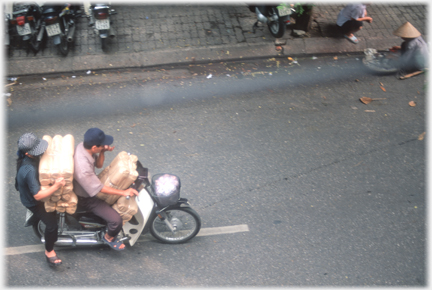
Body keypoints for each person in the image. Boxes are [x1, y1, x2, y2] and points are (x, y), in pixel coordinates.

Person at [73, 128, 138, 251]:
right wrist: (124, 192)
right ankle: (108, 237)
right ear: (93, 147)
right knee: (116, 221)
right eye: (102, 145)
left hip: (89, 184)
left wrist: (103, 151)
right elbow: (99, 189)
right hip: (86, 197)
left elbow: (98, 165)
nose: (105, 146)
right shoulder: (83, 168)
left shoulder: (83, 146)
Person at [15, 132, 66, 267]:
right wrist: (56, 185)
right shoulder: (29, 169)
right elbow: (37, 195)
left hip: (30, 190)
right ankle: (49, 251)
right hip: (33, 201)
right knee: (51, 225)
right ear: (28, 154)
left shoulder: (27, 159)